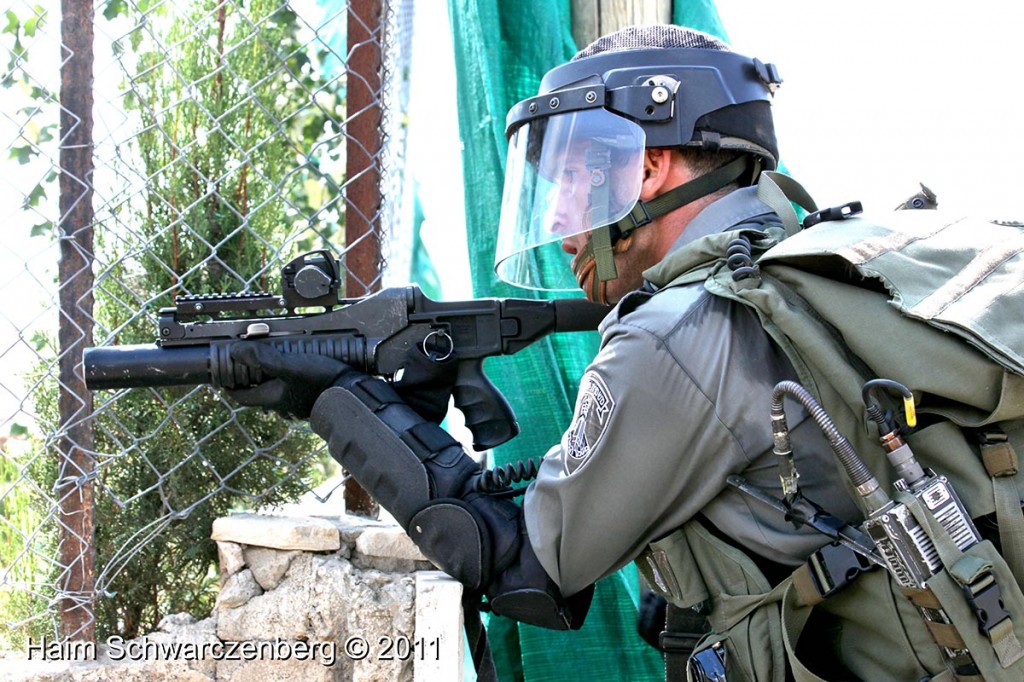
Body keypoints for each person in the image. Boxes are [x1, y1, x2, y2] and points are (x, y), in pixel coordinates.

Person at [226, 25, 954, 681]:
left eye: (576, 177)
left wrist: (339, 403)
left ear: (648, 169)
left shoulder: (674, 333)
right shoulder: (810, 270)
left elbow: (526, 572)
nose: (566, 227)